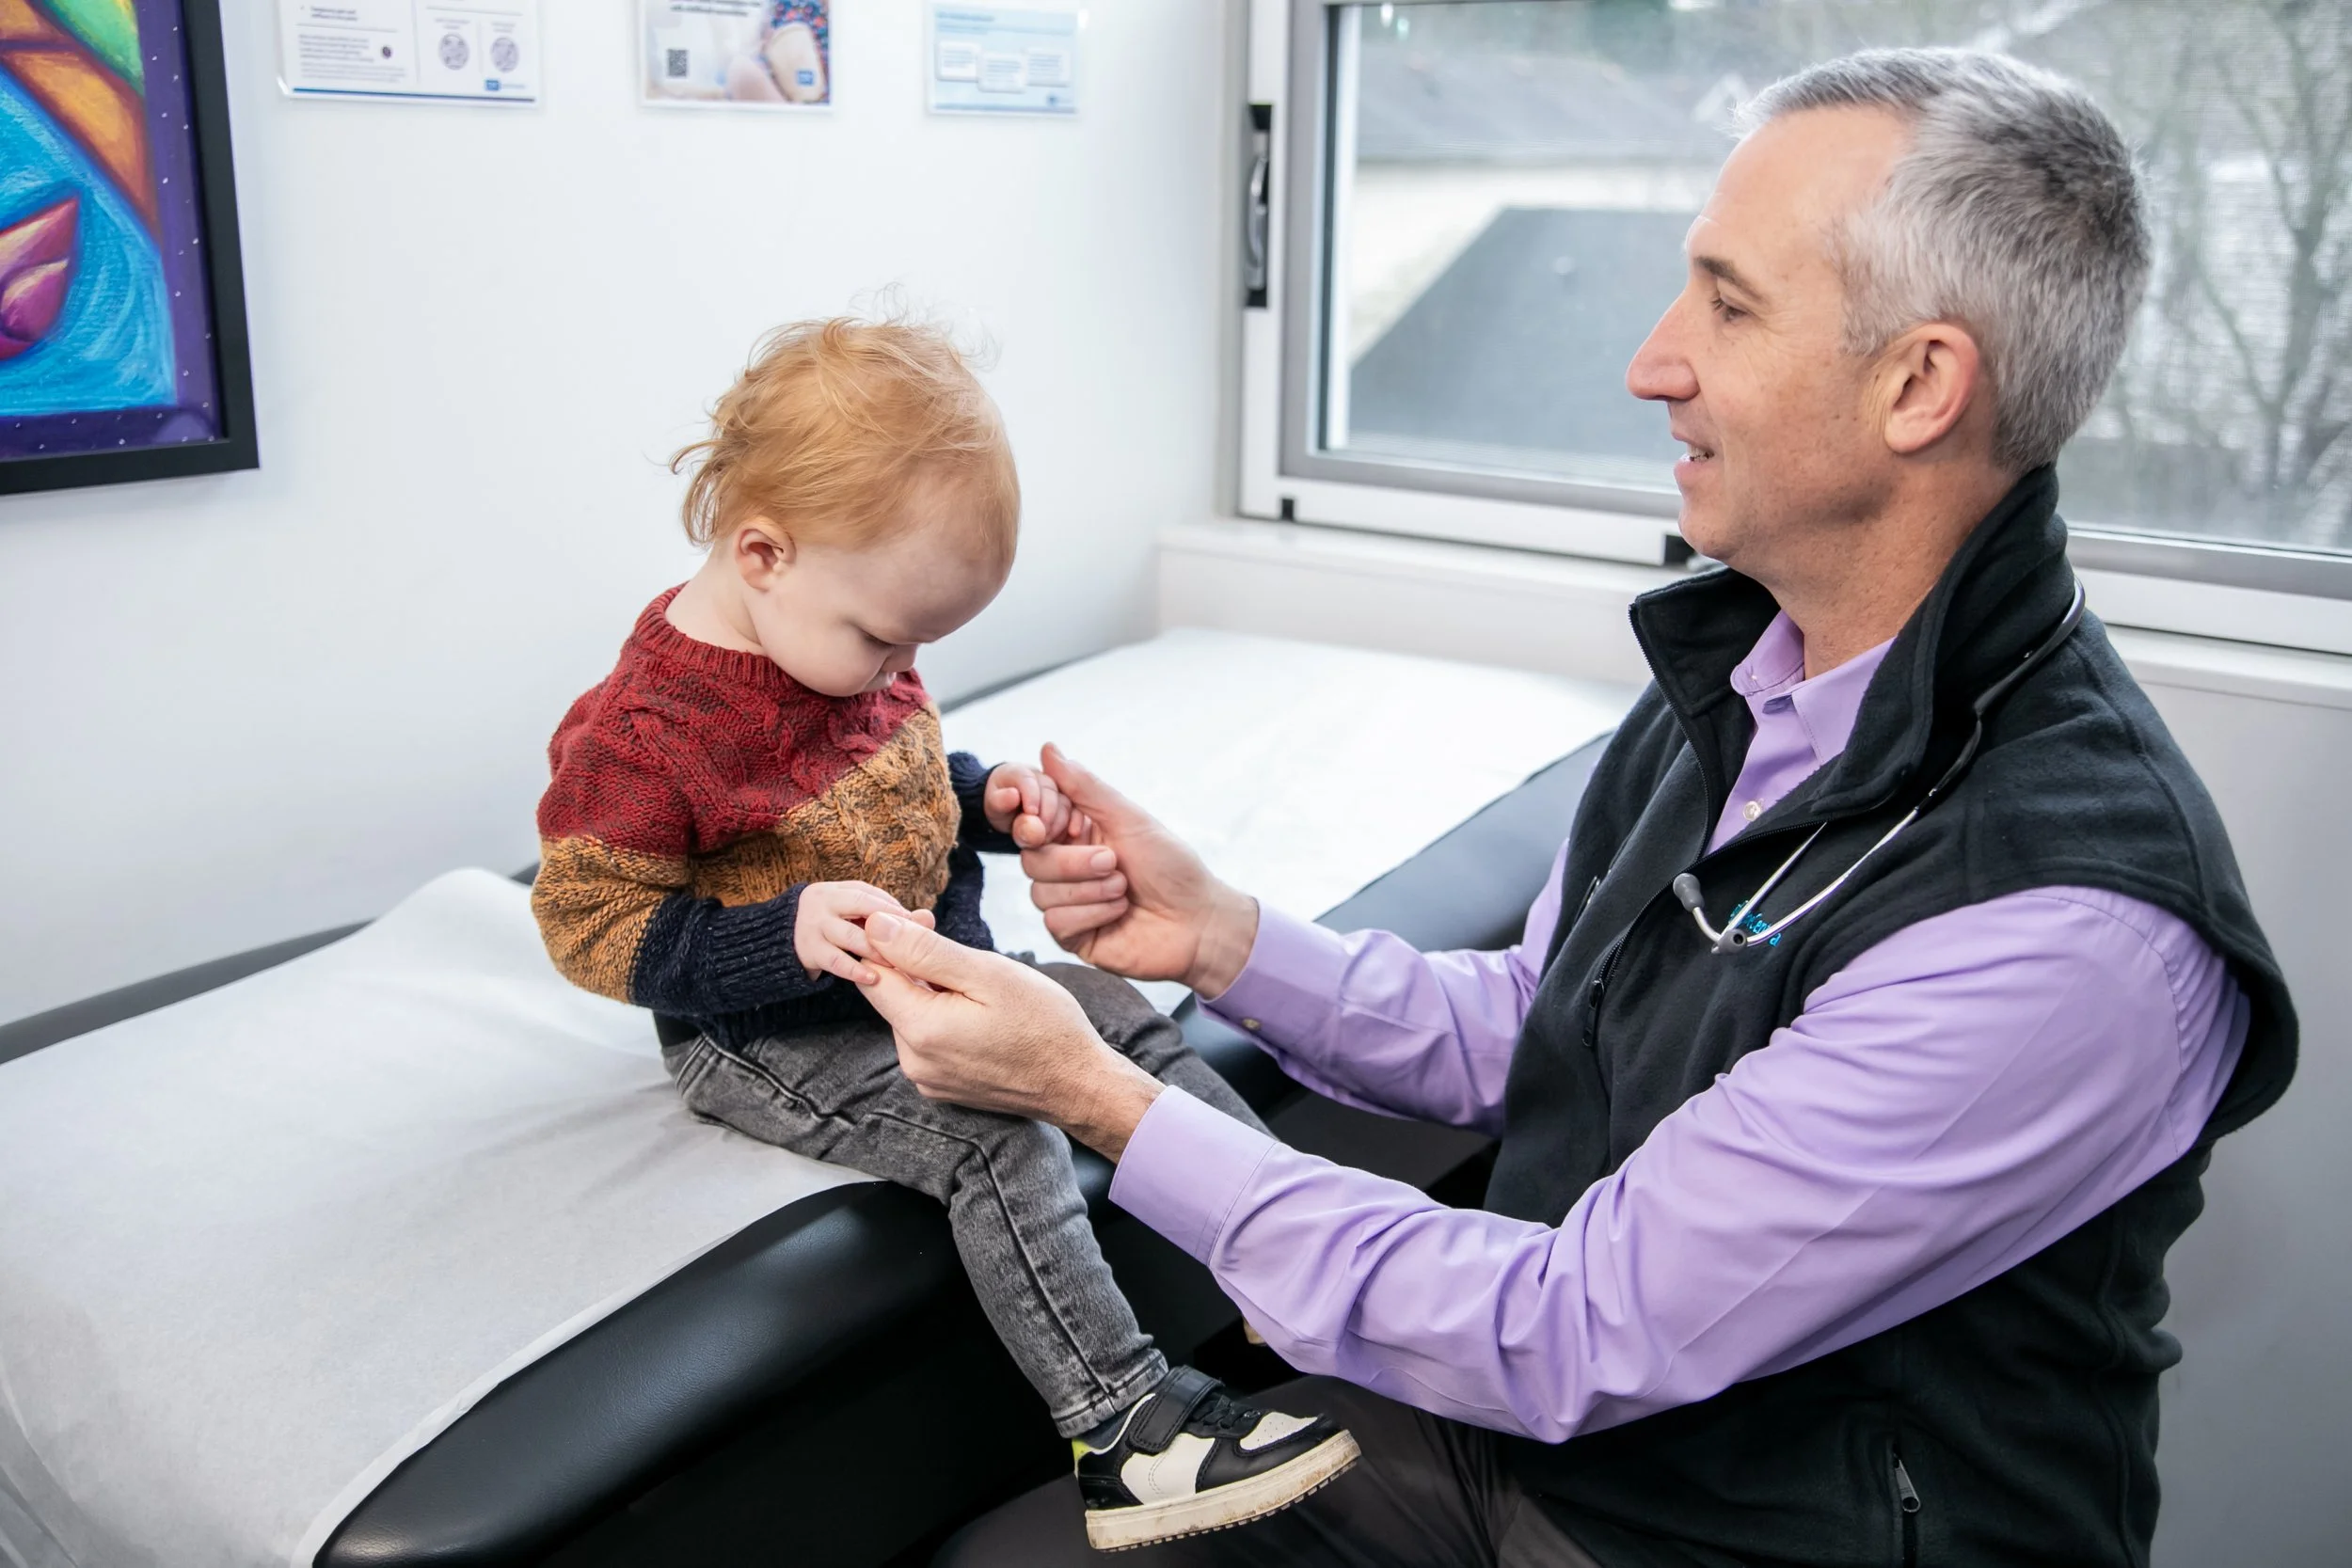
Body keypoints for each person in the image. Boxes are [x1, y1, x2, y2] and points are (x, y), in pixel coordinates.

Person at [848, 51, 2300, 1567]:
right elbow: (1553, 1018)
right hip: (1551, 1451)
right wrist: (1220, 937)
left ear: (1919, 386)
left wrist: (1099, 1094)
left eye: (1728, 305)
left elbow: (1570, 1325)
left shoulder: (2061, 929)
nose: (1653, 362)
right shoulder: (1757, 669)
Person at [528, 318, 1358, 1553]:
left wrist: (984, 802)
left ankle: (1301, 1263)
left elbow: (889, 788)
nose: (902, 670)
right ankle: (1124, 1431)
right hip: (778, 1034)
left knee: (1121, 1019)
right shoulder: (647, 732)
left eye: (920, 646)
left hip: (937, 976)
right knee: (997, 1141)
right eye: (886, 640)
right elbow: (589, 921)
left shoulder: (842, 638)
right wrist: (785, 934)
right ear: (763, 554)